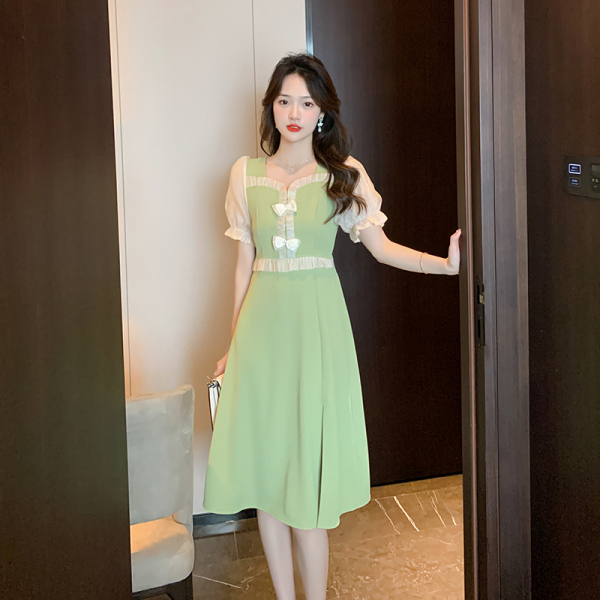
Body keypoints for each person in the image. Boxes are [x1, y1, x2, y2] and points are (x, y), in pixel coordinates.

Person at [203, 52, 461, 600]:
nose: (294, 113)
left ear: (322, 112)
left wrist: (444, 265)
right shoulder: (244, 175)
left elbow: (381, 248)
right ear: (271, 107)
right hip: (260, 340)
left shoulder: (344, 175)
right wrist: (232, 346)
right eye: (284, 101)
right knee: (268, 483)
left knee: (307, 490)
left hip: (317, 338)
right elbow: (244, 266)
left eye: (306, 102)